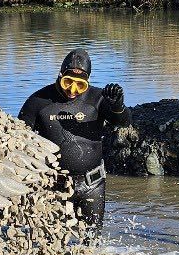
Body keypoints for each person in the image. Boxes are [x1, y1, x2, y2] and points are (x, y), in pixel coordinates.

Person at [18, 48, 127, 231]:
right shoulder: (37, 101)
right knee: (51, 238)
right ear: (60, 75)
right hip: (53, 185)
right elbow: (19, 138)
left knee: (91, 240)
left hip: (92, 184)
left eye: (80, 85)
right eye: (67, 82)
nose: (72, 91)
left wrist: (117, 106)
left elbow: (123, 122)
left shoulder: (98, 98)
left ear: (88, 82)